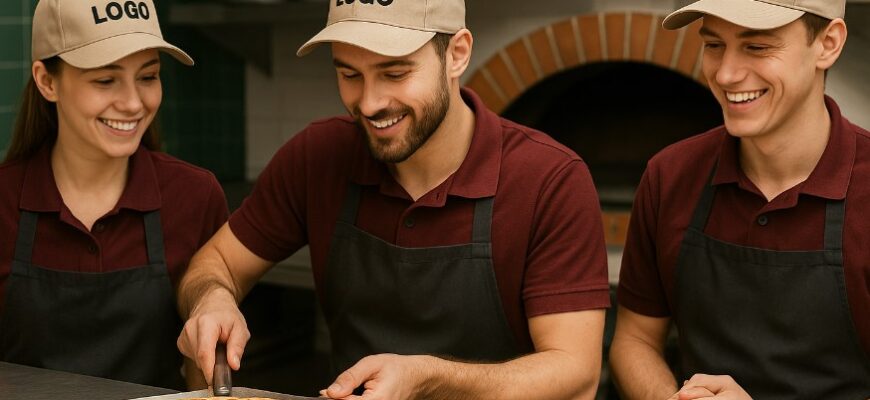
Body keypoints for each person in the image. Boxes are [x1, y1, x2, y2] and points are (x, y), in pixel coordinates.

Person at [176, 0, 611, 398]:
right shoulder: (317, 157)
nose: (369, 103)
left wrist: (430, 379)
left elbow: (576, 373)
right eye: (349, 74)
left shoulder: (550, 179)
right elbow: (216, 264)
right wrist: (212, 299)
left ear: (457, 54)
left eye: (395, 73)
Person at [609, 0, 870, 398]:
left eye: (757, 46)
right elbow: (634, 340)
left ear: (828, 43)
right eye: (714, 45)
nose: (726, 74)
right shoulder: (670, 175)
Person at [0, 0, 228, 390]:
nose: (134, 103)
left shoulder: (195, 195)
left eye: (148, 76)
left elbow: (203, 365)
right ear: (47, 81)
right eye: (106, 80)